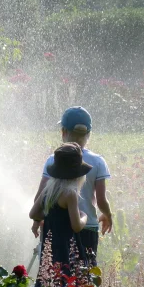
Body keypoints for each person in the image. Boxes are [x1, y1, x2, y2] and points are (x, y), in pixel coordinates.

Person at [32, 107, 112, 265]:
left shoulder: (52, 160)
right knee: (84, 278)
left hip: (56, 229)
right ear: (88, 135)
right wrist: (108, 215)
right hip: (86, 228)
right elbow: (101, 200)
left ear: (63, 131)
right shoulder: (97, 161)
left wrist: (37, 221)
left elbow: (39, 198)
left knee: (53, 275)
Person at [29, 142, 92, 268]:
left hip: (49, 246)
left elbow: (33, 213)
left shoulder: (48, 189)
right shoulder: (70, 194)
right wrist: (84, 216)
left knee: (49, 277)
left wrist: (50, 216)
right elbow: (76, 226)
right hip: (66, 248)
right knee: (65, 279)